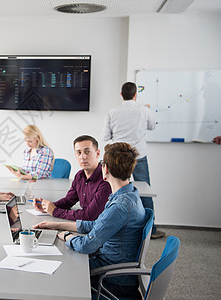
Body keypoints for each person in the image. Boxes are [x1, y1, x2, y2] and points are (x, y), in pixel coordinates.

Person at [33, 142, 146, 299]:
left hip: (111, 279)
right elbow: (96, 224)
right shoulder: (129, 194)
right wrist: (56, 225)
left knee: (56, 272)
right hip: (115, 269)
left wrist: (66, 236)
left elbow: (87, 245)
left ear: (105, 169)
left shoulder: (119, 206)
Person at [102, 82, 164, 239]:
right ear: (135, 94)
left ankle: (111, 224)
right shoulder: (144, 110)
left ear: (121, 94)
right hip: (138, 155)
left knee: (114, 189)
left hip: (117, 157)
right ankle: (152, 230)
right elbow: (152, 126)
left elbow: (105, 137)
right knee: (145, 192)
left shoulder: (112, 112)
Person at [33, 135, 111, 221]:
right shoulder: (79, 176)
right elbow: (69, 200)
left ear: (98, 153)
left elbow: (89, 215)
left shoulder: (105, 180)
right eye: (79, 153)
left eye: (87, 152)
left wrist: (55, 211)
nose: (83, 157)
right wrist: (47, 206)